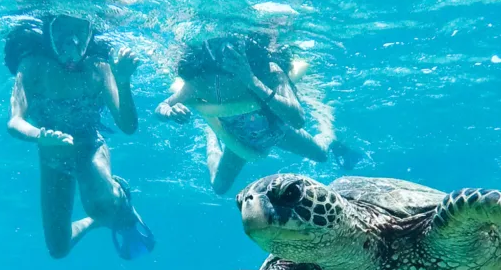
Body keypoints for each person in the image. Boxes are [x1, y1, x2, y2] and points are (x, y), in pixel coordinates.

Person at [3, 13, 155, 260]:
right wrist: (39, 136)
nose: (71, 42)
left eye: (80, 33)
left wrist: (124, 82)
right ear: (49, 32)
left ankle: (116, 199)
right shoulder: (32, 66)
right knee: (58, 249)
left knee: (99, 202)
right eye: (62, 31)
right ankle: (100, 219)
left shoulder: (98, 68)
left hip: (90, 147)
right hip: (52, 155)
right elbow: (14, 121)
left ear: (89, 34)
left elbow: (128, 126)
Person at [155, 33, 363, 195]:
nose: (229, 56)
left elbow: (298, 120)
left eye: (236, 49)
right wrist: (168, 111)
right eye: (222, 51)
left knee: (322, 154)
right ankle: (212, 134)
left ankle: (330, 136)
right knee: (219, 188)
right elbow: (161, 107)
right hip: (238, 142)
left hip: (280, 132)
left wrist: (252, 81)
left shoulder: (269, 72)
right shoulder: (204, 82)